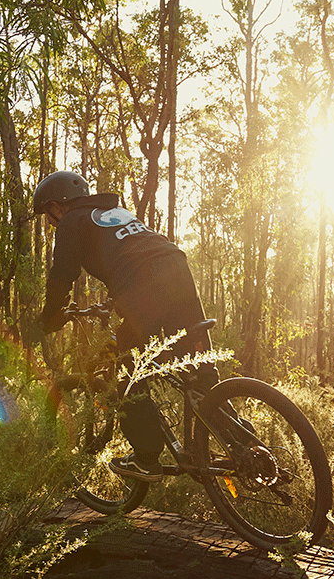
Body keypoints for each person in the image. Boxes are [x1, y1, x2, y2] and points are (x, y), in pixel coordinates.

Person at [34, 170, 217, 482]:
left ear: (56, 206)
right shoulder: (113, 212)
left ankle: (146, 458)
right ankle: (236, 441)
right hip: (177, 267)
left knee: (122, 366)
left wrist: (49, 318)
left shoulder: (71, 221)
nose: (50, 222)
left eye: (48, 214)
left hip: (143, 280)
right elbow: (131, 256)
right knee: (196, 362)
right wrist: (119, 302)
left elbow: (62, 274)